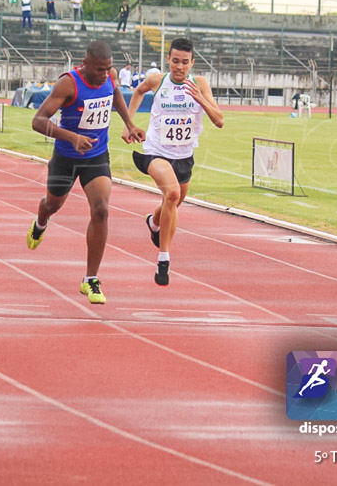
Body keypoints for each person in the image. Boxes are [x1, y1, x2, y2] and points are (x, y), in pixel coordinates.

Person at [25, 40, 145, 305]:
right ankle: (41, 222)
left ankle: (90, 279)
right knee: (51, 204)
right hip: (66, 158)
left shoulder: (110, 77)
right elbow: (38, 121)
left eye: (108, 68)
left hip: (96, 156)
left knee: (101, 209)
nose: (105, 74)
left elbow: (114, 95)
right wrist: (71, 137)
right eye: (100, 69)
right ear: (85, 63)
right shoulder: (68, 83)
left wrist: (130, 123)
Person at [124, 38, 224, 286]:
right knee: (171, 194)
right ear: (168, 60)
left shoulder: (199, 84)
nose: (179, 67)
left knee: (174, 201)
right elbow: (138, 91)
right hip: (155, 151)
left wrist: (201, 99)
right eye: (175, 61)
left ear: (192, 63)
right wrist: (129, 123)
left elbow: (220, 120)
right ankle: (163, 259)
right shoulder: (158, 80)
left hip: (184, 157)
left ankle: (153, 222)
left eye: (184, 62)